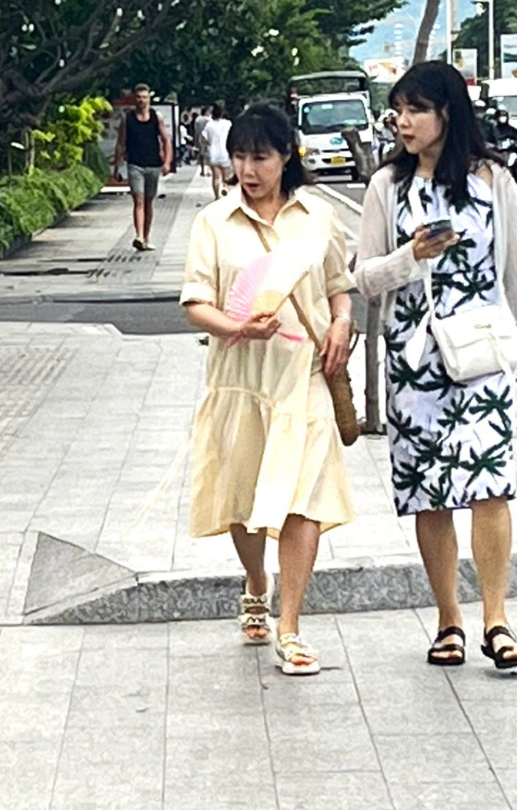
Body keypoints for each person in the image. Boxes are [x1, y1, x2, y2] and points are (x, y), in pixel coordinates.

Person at [353, 61, 517, 671]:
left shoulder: (494, 179)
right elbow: (363, 278)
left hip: (484, 355)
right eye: (398, 110)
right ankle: (449, 620)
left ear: (448, 112)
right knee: (429, 495)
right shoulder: (387, 186)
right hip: (416, 359)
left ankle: (497, 619)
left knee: (491, 485)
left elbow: (516, 275)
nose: (403, 121)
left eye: (416, 109)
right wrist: (409, 257)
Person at [181, 104, 356, 676]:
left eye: (260, 156)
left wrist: (341, 322)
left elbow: (339, 285)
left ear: (287, 157)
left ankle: (291, 623)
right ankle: (256, 580)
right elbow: (195, 302)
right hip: (240, 380)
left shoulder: (318, 217)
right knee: (245, 498)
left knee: (302, 496)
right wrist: (236, 327)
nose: (248, 169)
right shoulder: (214, 222)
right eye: (239, 156)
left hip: (302, 375)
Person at [112, 84, 172, 250]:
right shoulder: (128, 118)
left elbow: (166, 140)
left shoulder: (156, 117)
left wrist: (167, 162)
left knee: (148, 202)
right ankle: (138, 236)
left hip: (153, 165)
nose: (142, 100)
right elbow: (120, 143)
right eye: (139, 97)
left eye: (145, 97)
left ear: (149, 99)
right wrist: (116, 168)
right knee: (138, 201)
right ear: (134, 99)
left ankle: (146, 237)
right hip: (135, 164)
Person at [202, 104, 234, 198]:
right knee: (226, 178)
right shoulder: (227, 123)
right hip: (225, 153)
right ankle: (226, 194)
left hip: (213, 153)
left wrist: (208, 144)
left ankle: (217, 197)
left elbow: (204, 139)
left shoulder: (209, 125)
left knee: (216, 177)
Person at [192, 106, 211, 176]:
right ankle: (208, 170)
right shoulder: (209, 120)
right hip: (208, 139)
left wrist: (195, 141)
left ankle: (202, 170)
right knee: (209, 155)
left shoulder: (197, 120)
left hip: (200, 139)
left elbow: (196, 131)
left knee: (201, 155)